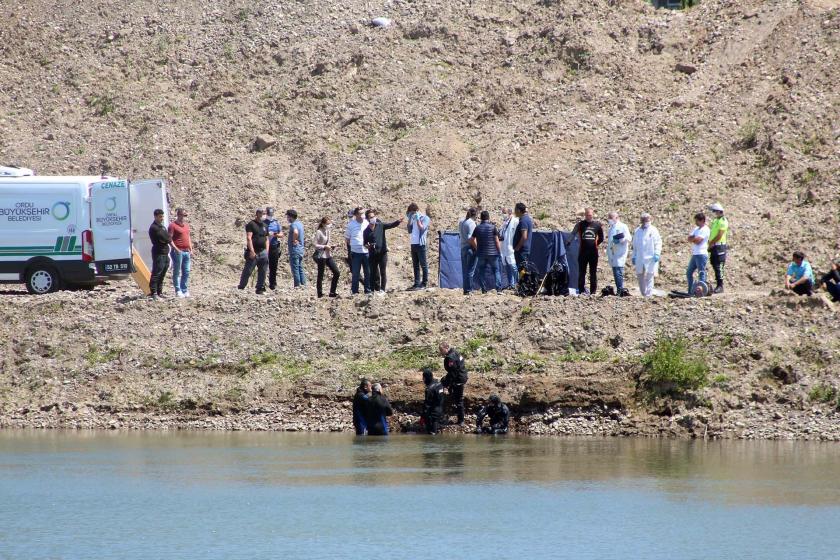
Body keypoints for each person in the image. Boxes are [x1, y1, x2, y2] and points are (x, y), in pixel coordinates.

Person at [363, 209, 402, 293]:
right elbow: (365, 243)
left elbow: (391, 225)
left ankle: (382, 290)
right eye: (371, 217)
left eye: (374, 216)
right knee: (372, 273)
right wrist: (368, 246)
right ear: (367, 219)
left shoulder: (380, 225)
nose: (373, 218)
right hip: (372, 254)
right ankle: (372, 291)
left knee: (383, 272)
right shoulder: (366, 231)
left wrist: (398, 221)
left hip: (382, 253)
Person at [572, 207, 604, 295]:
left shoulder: (597, 225)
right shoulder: (580, 224)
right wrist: (567, 242)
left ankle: (593, 291)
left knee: (593, 272)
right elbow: (573, 233)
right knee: (582, 272)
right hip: (582, 252)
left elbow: (601, 238)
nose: (588, 216)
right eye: (587, 215)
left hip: (593, 253)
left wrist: (595, 244)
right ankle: (581, 290)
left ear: (592, 215)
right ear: (584, 215)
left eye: (590, 215)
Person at [470, 210, 502, 293]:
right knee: (496, 271)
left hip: (481, 253)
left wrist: (477, 248)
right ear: (488, 218)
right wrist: (499, 251)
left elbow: (471, 240)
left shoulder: (477, 228)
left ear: (481, 218)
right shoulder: (493, 227)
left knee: (481, 271)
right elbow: (497, 241)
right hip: (493, 253)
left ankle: (484, 289)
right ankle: (498, 289)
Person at [238, 209, 270, 294]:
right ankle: (241, 287)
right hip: (254, 251)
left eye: (264, 213)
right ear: (257, 214)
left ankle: (260, 288)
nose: (262, 215)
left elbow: (266, 239)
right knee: (248, 270)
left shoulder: (265, 225)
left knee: (263, 271)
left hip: (263, 252)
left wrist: (266, 251)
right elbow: (249, 238)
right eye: (261, 213)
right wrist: (251, 251)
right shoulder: (251, 224)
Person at [631, 213, 662, 298]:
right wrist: (633, 256)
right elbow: (634, 245)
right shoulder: (637, 231)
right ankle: (643, 293)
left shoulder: (653, 230)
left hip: (650, 257)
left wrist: (657, 253)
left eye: (648, 220)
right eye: (645, 220)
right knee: (640, 275)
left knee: (649, 275)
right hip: (640, 257)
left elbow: (658, 242)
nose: (646, 221)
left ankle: (648, 294)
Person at [439, 342, 468, 426]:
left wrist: (447, 383)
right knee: (452, 392)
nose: (441, 352)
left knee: (459, 400)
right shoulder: (455, 352)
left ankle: (461, 420)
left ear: (446, 348)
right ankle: (451, 412)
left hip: (458, 379)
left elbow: (453, 373)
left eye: (441, 350)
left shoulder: (450, 357)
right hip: (462, 376)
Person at [345, 207, 371, 295]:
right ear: (355, 215)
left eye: (363, 213)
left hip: (366, 252)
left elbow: (370, 235)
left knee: (368, 272)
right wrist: (354, 246)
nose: (362, 215)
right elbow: (347, 238)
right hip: (356, 253)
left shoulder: (367, 223)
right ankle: (354, 291)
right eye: (360, 213)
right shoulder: (351, 224)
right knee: (355, 273)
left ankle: (368, 290)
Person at [168, 207, 193, 298]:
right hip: (178, 251)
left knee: (186, 271)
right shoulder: (172, 225)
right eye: (182, 215)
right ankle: (178, 290)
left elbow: (188, 237)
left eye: (185, 215)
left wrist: (191, 248)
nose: (184, 217)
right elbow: (169, 239)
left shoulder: (186, 225)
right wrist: (175, 248)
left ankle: (184, 289)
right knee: (177, 271)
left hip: (186, 251)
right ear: (178, 215)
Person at [406, 202, 431, 290]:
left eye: (412, 213)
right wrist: (409, 219)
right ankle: (416, 283)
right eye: (410, 213)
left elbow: (422, 228)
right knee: (415, 265)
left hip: (421, 244)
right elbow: (409, 230)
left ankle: (424, 283)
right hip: (413, 244)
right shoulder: (412, 219)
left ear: (416, 211)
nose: (411, 214)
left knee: (423, 264)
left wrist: (417, 219)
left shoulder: (425, 218)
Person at [605, 211, 630, 296]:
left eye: (611, 218)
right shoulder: (611, 228)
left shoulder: (623, 226)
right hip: (613, 252)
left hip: (620, 252)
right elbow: (610, 242)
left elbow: (628, 237)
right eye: (609, 218)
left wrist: (620, 240)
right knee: (615, 271)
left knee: (618, 271)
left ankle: (620, 290)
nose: (610, 220)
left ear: (617, 218)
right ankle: (618, 289)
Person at [314, 217, 340, 298]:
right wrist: (324, 246)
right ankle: (320, 293)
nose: (329, 225)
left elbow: (328, 242)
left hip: (328, 255)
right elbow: (315, 245)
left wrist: (332, 246)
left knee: (337, 272)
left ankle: (332, 292)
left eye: (330, 223)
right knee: (321, 274)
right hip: (321, 255)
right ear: (323, 224)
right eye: (327, 224)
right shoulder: (319, 232)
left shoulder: (328, 231)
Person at [148, 208, 171, 299]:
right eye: (160, 216)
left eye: (162, 216)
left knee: (163, 273)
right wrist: (168, 238)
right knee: (157, 272)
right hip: (158, 253)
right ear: (155, 216)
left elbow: (168, 237)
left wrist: (168, 238)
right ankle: (153, 292)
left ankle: (159, 292)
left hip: (165, 253)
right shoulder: (154, 227)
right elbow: (166, 238)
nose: (162, 218)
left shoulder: (162, 226)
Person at [686, 212, 710, 294]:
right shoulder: (696, 229)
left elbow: (698, 241)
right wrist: (694, 238)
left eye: (697, 221)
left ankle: (701, 291)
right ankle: (690, 291)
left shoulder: (705, 229)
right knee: (689, 272)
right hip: (695, 254)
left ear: (702, 220)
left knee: (701, 273)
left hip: (701, 254)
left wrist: (694, 238)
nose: (696, 223)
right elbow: (689, 238)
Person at [708, 202, 729, 294]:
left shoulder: (723, 221)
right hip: (714, 245)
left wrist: (712, 242)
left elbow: (720, 234)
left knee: (719, 266)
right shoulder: (716, 221)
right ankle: (718, 284)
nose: (715, 213)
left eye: (715, 211)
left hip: (719, 245)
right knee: (714, 263)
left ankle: (720, 285)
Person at [458, 208, 478, 294]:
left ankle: (465, 289)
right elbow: (471, 239)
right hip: (470, 248)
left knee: (465, 270)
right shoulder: (471, 223)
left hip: (462, 247)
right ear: (475, 215)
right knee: (470, 270)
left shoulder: (461, 221)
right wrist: (477, 248)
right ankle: (469, 290)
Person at [499, 207, 519, 288]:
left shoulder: (515, 221)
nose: (504, 214)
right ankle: (511, 284)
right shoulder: (505, 222)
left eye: (505, 212)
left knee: (513, 266)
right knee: (506, 266)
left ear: (510, 213)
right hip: (503, 247)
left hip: (510, 247)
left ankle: (518, 283)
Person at [421, 368, 445, 435]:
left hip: (432, 414)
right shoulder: (439, 384)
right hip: (440, 410)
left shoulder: (429, 389)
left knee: (432, 434)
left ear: (427, 378)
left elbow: (427, 404)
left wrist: (423, 416)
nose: (423, 379)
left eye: (423, 378)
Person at [286, 209, 306, 288]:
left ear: (291, 217)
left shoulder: (293, 225)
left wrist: (294, 240)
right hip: (301, 249)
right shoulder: (300, 224)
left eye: (288, 216)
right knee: (300, 267)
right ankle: (303, 284)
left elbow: (295, 232)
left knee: (295, 268)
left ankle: (297, 285)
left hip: (295, 250)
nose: (287, 218)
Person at [264, 207, 283, 291]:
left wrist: (275, 234)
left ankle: (273, 283)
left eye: (271, 214)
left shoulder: (276, 222)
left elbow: (281, 234)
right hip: (265, 247)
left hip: (274, 246)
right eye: (269, 214)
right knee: (264, 265)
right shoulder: (263, 222)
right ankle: (262, 283)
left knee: (274, 266)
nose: (270, 215)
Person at [512, 202, 533, 275]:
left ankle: (522, 285)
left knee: (521, 270)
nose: (514, 211)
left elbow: (524, 236)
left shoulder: (523, 220)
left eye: (515, 209)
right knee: (523, 269)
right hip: (524, 250)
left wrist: (517, 247)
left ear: (518, 210)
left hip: (521, 251)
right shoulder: (526, 219)